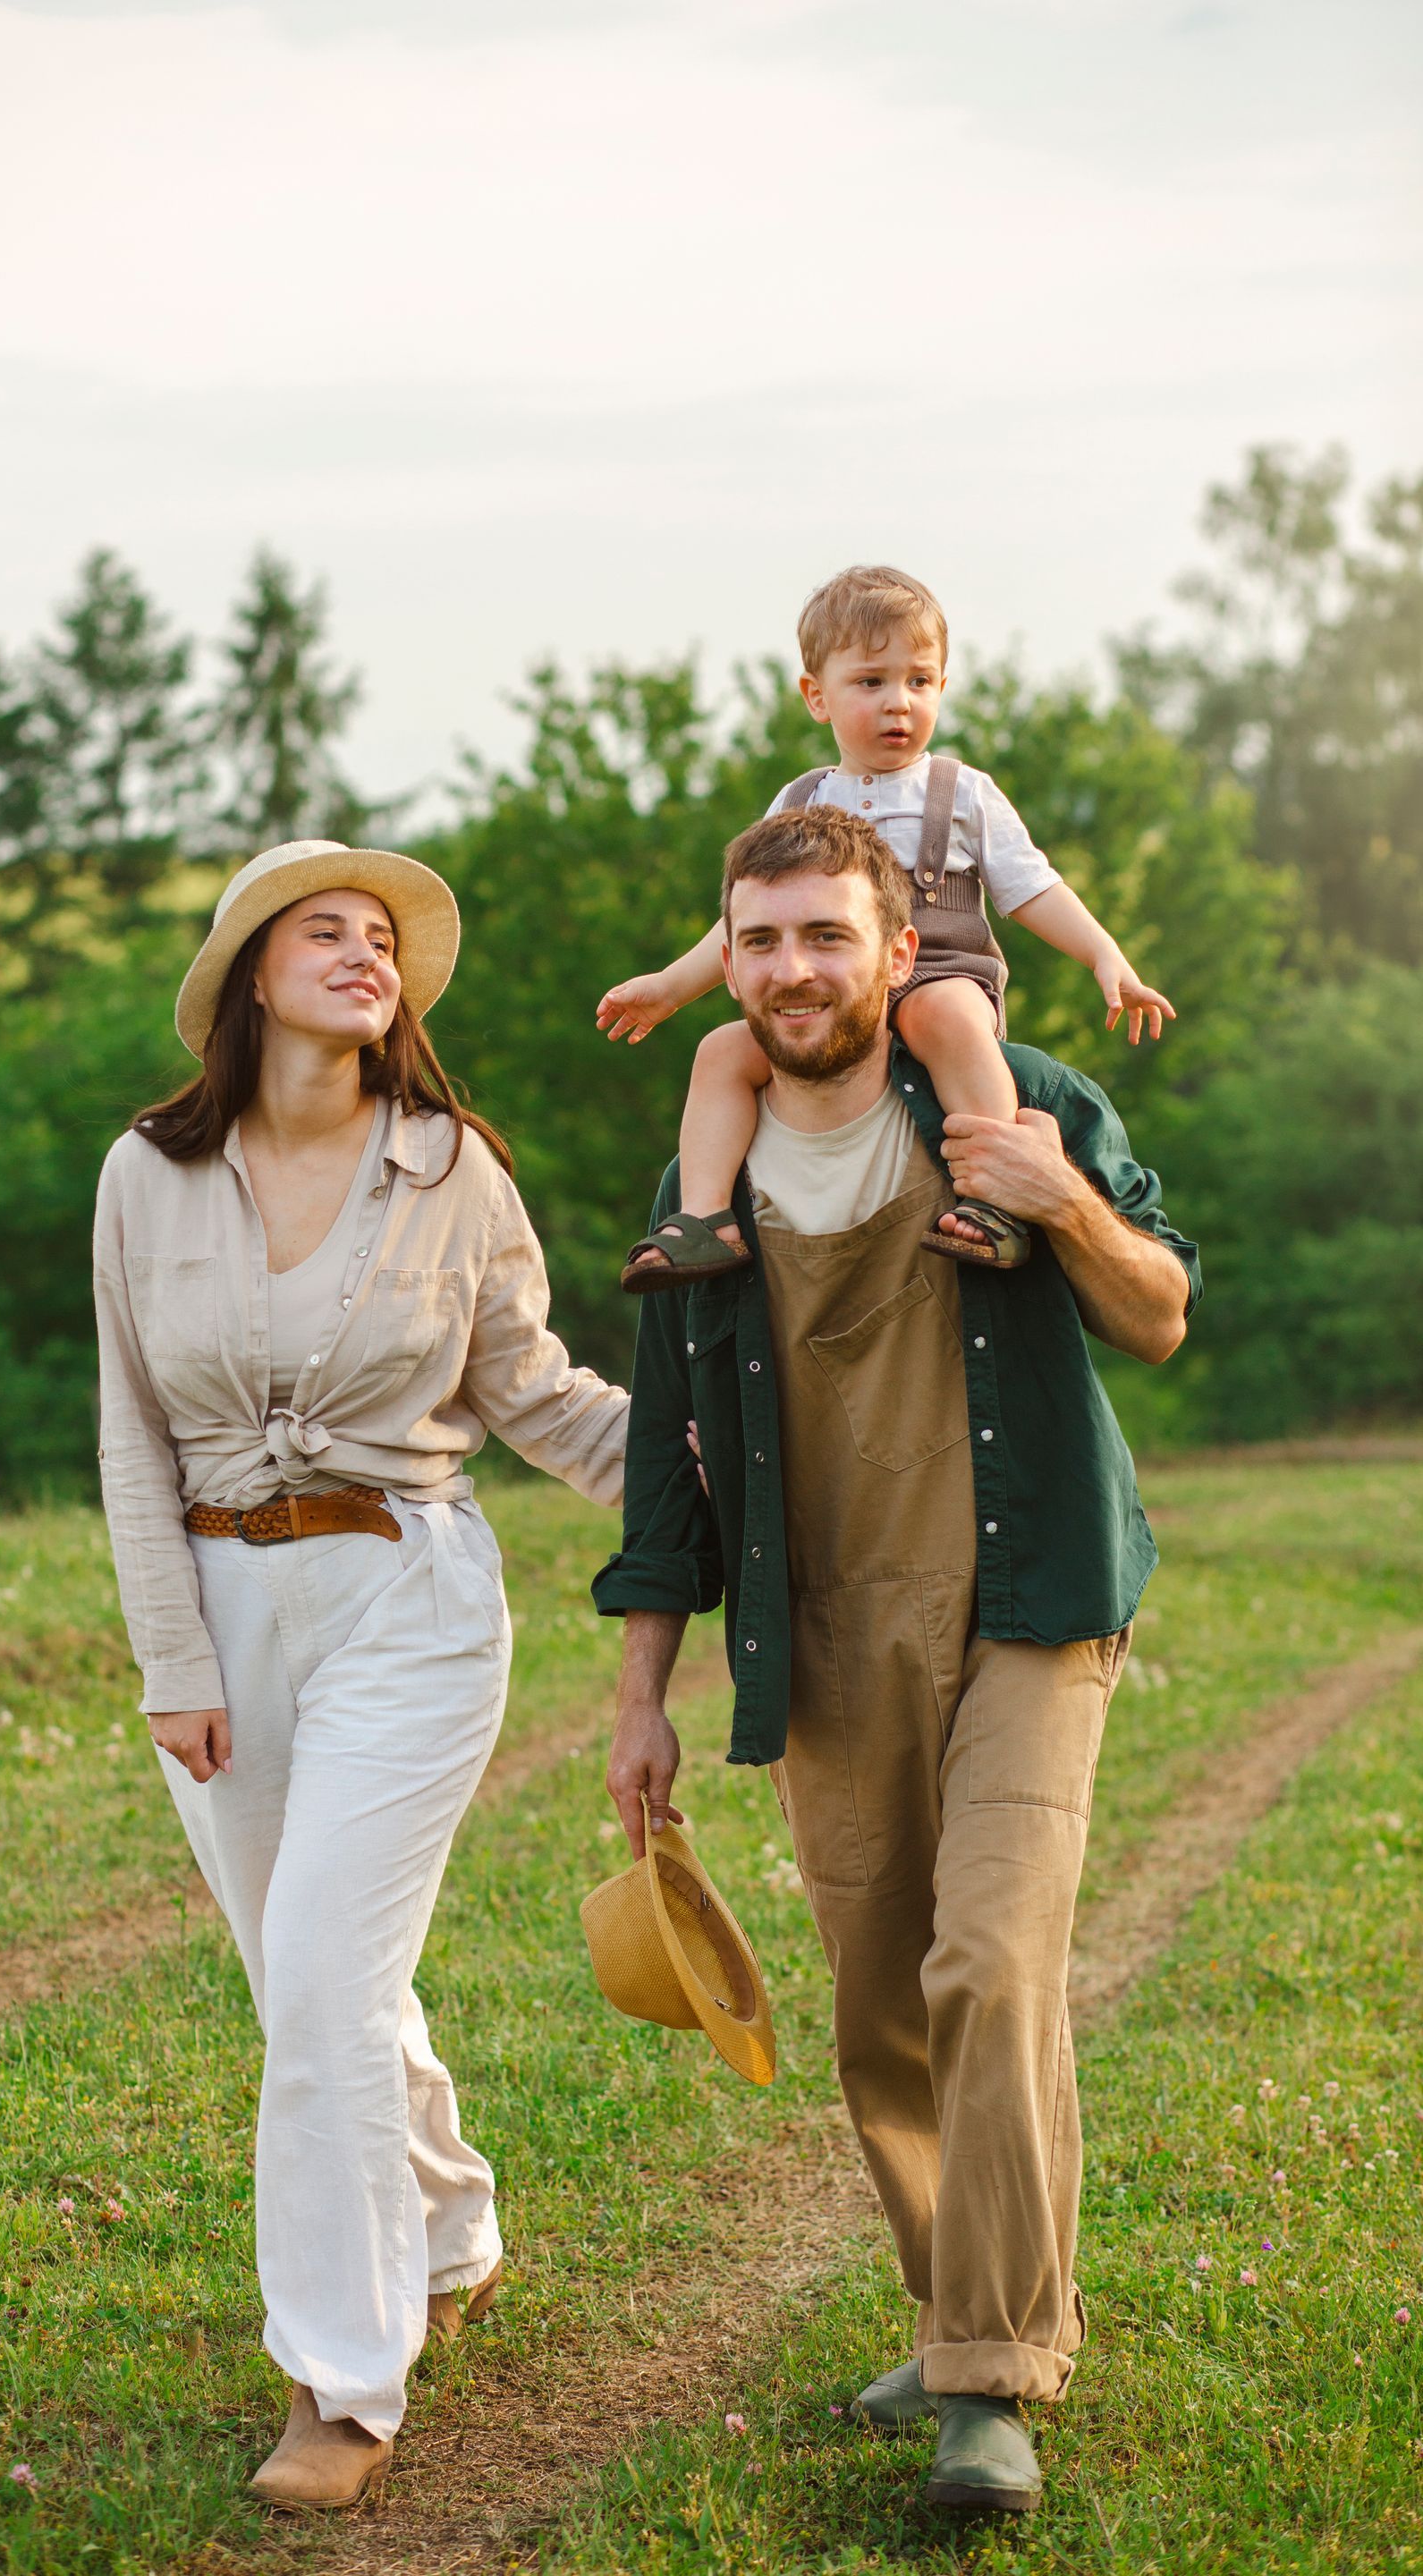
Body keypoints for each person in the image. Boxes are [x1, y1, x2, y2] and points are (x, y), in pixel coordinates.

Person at [592, 801, 1199, 2517]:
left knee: (988, 1963)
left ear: (895, 949)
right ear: (734, 951)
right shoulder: (699, 1193)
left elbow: (1159, 1310)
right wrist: (642, 1689)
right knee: (881, 2006)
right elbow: (667, 1464)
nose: (792, 971)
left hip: (1029, 1598)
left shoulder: (1017, 1102)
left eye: (825, 937)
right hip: (829, 1628)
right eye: (760, 938)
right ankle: (958, 2314)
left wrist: (1064, 1203)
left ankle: (994, 2382)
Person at [93, 839, 628, 2511]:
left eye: (383, 937)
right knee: (309, 1975)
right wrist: (171, 1655)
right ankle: (452, 2217)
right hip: (225, 1617)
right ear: (252, 972)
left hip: (410, 1596)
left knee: (322, 1974)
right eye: (324, 929)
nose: (363, 952)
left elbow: (533, 1392)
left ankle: (342, 2377)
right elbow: (127, 1428)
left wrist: (718, 1481)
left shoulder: (453, 1167)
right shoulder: (146, 1174)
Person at [600, 564, 1174, 1283]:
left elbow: (1031, 887)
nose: (899, 703)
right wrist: (670, 988)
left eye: (920, 681)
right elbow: (749, 921)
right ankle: (705, 1221)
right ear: (818, 697)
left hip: (939, 970)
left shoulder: (961, 792)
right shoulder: (802, 800)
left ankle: (993, 1203)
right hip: (836, 996)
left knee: (945, 1020)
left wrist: (1104, 955)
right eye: (871, 682)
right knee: (721, 1053)